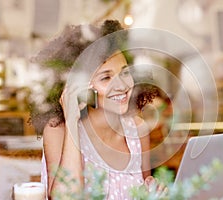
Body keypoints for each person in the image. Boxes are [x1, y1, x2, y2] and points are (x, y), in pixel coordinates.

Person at [30, 20, 164, 199]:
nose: (122, 85)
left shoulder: (138, 131)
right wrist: (71, 119)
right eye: (106, 78)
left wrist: (152, 192)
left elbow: (143, 190)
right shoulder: (58, 131)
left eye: (125, 72)